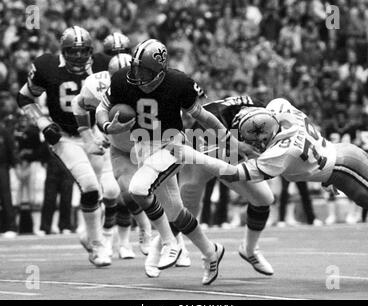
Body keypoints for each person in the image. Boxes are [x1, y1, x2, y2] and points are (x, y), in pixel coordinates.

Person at [95, 39, 249, 285]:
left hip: (171, 146)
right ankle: (211, 252)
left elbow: (203, 116)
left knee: (138, 188)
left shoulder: (178, 83)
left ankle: (169, 244)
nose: (137, 74)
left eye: (143, 70)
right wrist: (106, 125)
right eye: (136, 67)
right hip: (143, 147)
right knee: (177, 213)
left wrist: (229, 140)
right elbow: (102, 109)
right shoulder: (123, 79)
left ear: (159, 71)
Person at [17, 26, 111, 267]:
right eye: (73, 51)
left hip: (94, 134)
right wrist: (42, 122)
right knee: (90, 187)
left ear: (91, 50)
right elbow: (24, 97)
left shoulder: (102, 64)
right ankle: (98, 245)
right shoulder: (47, 66)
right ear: (63, 51)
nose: (79, 56)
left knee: (104, 192)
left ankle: (86, 233)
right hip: (65, 137)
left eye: (83, 51)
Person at [175, 98, 368, 214]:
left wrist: (195, 156)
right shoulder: (279, 107)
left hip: (343, 168)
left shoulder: (281, 152)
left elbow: (232, 174)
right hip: (342, 154)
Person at [178, 95, 275, 278]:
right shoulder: (211, 119)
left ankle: (249, 249)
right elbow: (214, 159)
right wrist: (236, 148)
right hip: (201, 151)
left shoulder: (263, 114)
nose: (258, 141)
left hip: (231, 150)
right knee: (185, 207)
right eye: (253, 137)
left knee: (264, 199)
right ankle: (170, 245)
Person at [71, 52, 152, 259]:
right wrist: (89, 134)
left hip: (148, 142)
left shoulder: (151, 87)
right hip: (119, 146)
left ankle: (171, 241)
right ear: (110, 77)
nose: (128, 83)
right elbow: (78, 104)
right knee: (125, 190)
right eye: (121, 78)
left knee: (155, 192)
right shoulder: (96, 87)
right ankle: (138, 230)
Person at [0, 120, 17, 238]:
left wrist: (15, 164)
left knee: (6, 197)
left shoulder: (3, 131)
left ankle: (11, 227)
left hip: (2, 167)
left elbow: (11, 148)